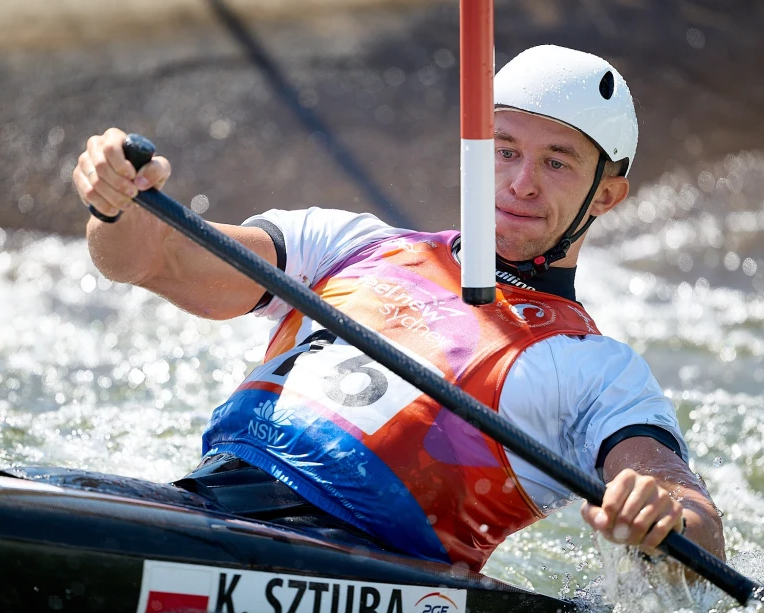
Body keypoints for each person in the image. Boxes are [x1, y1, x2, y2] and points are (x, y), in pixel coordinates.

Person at [73, 45, 726, 572]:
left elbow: (688, 512)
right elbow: (147, 261)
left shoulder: (600, 371)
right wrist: (115, 206)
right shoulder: (347, 244)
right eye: (504, 151)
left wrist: (660, 511)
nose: (521, 182)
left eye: (556, 163)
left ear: (607, 194)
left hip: (366, 563)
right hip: (208, 500)